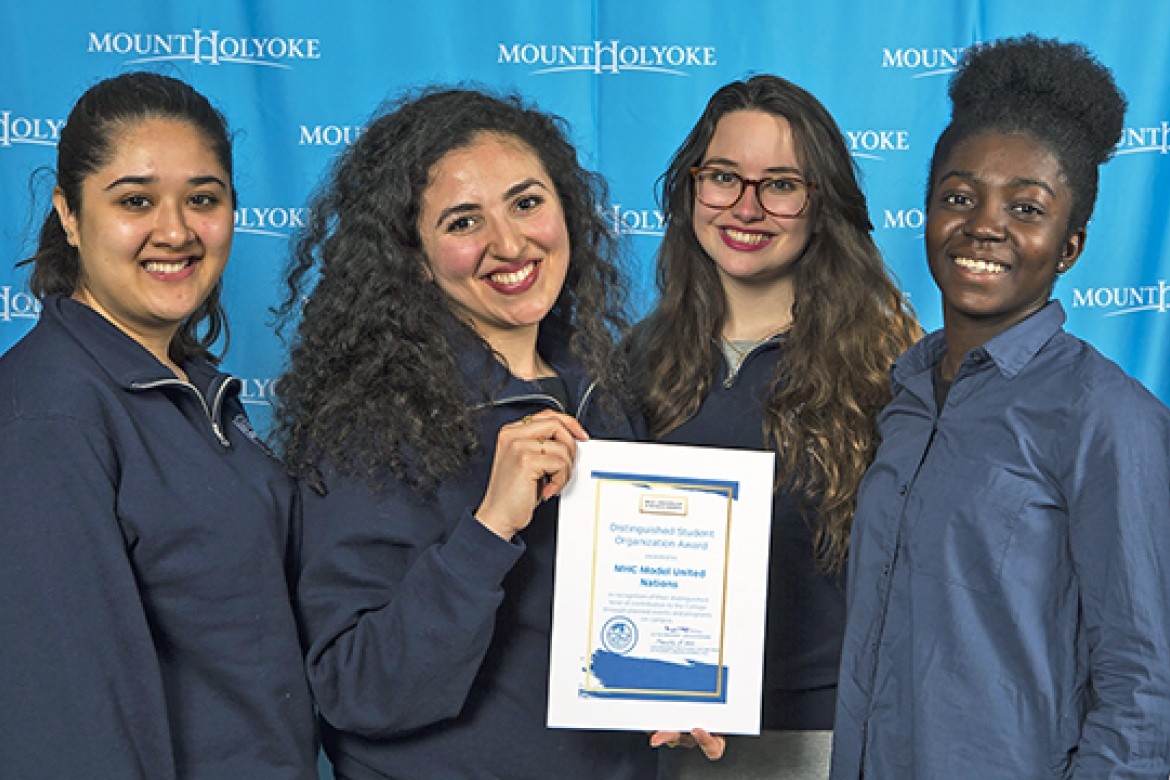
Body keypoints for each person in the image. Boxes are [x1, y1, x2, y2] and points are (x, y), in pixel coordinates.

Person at [274, 86, 675, 779]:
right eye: (464, 222)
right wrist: (489, 529)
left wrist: (679, 690)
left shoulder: (603, 392)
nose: (510, 243)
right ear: (412, 256)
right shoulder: (371, 422)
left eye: (526, 203)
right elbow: (357, 688)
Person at [830, 35, 1170, 778]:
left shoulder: (1107, 417)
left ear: (1069, 246)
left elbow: (1146, 688)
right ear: (927, 214)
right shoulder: (904, 397)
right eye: (959, 197)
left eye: (1026, 207)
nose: (984, 225)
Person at [0, 72, 317, 778]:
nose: (175, 232)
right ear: (69, 215)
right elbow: (70, 727)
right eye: (135, 201)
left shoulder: (195, 390)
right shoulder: (48, 415)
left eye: (202, 199)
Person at [629, 74, 920, 779]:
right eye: (723, 177)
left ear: (822, 203)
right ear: (691, 188)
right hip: (665, 739)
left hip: (821, 742)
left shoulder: (890, 366)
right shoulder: (637, 360)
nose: (746, 207)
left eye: (781, 185)